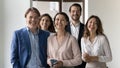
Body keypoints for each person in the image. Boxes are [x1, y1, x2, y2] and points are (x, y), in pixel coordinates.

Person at [66, 3, 86, 68]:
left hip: (82, 61)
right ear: (70, 12)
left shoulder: (86, 28)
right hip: (67, 60)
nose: (75, 13)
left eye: (78, 11)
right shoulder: (64, 27)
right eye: (73, 11)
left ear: (80, 13)